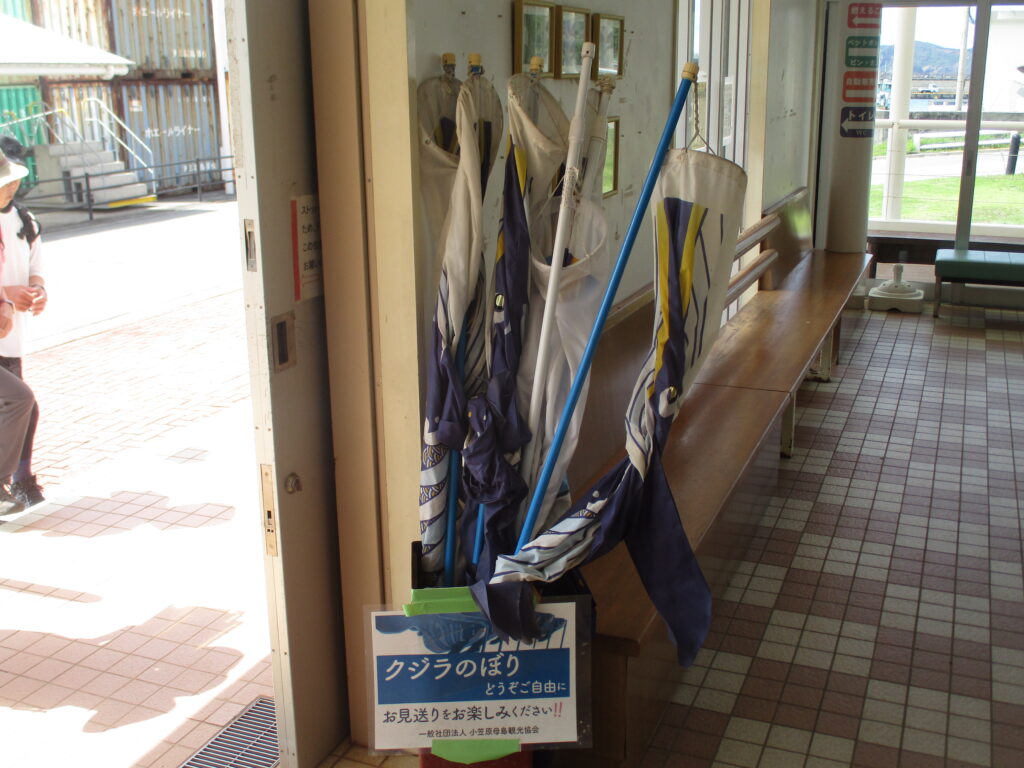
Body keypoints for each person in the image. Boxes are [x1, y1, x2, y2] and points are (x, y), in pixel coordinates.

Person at [0, 144, 46, 509]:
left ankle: (21, 480)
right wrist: (5, 294)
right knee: (19, 402)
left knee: (21, 406)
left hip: (10, 334)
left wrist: (37, 291)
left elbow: (36, 267)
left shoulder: (24, 220)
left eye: (12, 180)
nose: (10, 187)